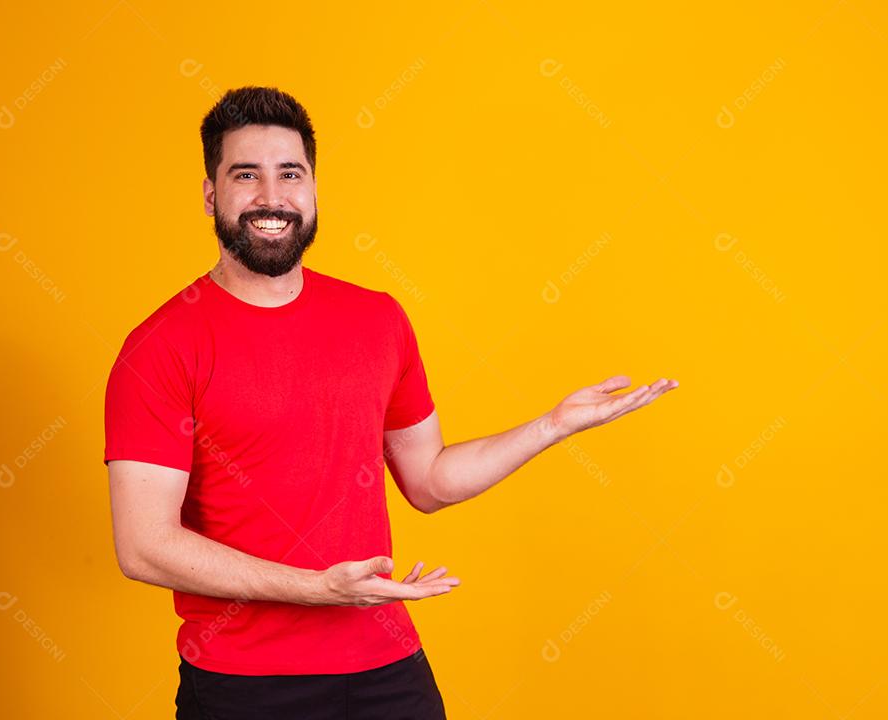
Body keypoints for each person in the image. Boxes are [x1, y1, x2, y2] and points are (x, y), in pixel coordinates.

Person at [103, 85, 679, 720]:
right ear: (212, 195)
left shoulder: (375, 319)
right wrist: (317, 589)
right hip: (246, 685)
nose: (272, 197)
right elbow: (144, 544)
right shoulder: (160, 347)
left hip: (386, 668)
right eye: (246, 175)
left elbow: (430, 481)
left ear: (314, 189)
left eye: (290, 174)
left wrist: (551, 425)